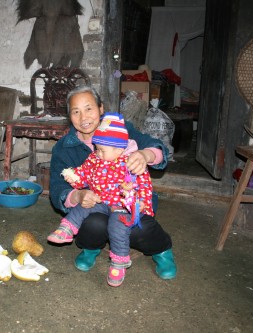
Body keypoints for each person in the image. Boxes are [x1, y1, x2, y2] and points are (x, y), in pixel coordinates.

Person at [49, 85, 177, 280]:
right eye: (76, 111)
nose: (84, 118)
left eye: (89, 108)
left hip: (128, 203)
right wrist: (77, 195)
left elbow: (158, 150)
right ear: (70, 116)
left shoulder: (120, 129)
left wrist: (145, 154)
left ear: (101, 109)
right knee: (93, 224)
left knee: (135, 227)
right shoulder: (64, 147)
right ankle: (91, 249)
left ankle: (162, 250)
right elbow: (58, 186)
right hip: (96, 206)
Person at [47, 112, 154, 286]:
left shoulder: (130, 163)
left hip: (122, 206)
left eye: (102, 150)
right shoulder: (95, 158)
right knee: (83, 207)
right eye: (96, 148)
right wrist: (74, 177)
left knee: (117, 227)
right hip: (101, 200)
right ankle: (67, 229)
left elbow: (144, 185)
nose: (98, 153)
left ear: (119, 149)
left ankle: (119, 262)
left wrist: (142, 203)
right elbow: (84, 172)